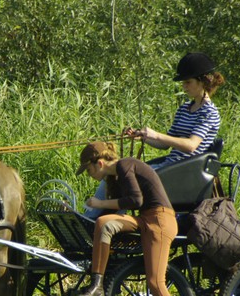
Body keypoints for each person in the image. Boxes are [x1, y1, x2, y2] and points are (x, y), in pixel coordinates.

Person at [75, 141, 183, 296]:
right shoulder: (114, 177)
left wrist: (99, 204)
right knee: (104, 223)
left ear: (100, 163)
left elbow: (135, 200)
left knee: (155, 282)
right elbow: (122, 207)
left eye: (88, 169)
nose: (88, 174)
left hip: (160, 221)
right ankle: (97, 285)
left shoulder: (125, 165)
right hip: (144, 219)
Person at [83, 51, 224, 218]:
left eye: (188, 82)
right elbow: (165, 145)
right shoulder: (184, 109)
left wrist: (156, 134)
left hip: (186, 172)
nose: (184, 87)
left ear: (203, 81)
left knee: (125, 177)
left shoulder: (209, 113)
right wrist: (144, 137)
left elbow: (191, 145)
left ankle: (97, 219)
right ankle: (94, 219)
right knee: (114, 175)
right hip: (169, 167)